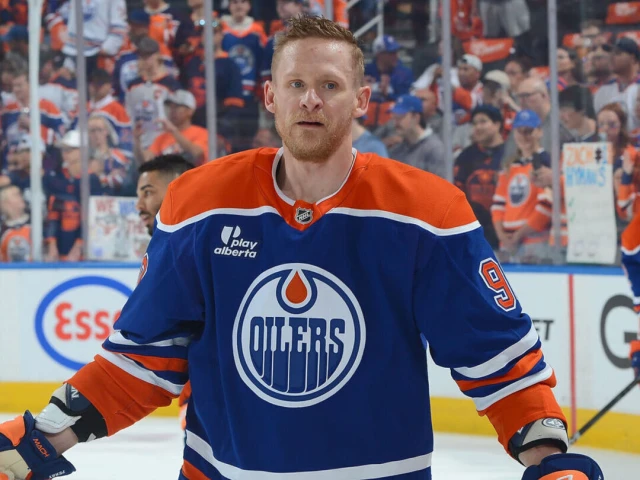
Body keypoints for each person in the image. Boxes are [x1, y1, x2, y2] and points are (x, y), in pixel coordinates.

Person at [0, 16, 603, 480]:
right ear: (270, 96)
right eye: (296, 84)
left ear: (361, 99)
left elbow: (495, 354)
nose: (311, 99)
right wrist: (43, 436)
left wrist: (549, 457)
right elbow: (145, 356)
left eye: (329, 85)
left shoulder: (427, 211)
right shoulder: (199, 203)